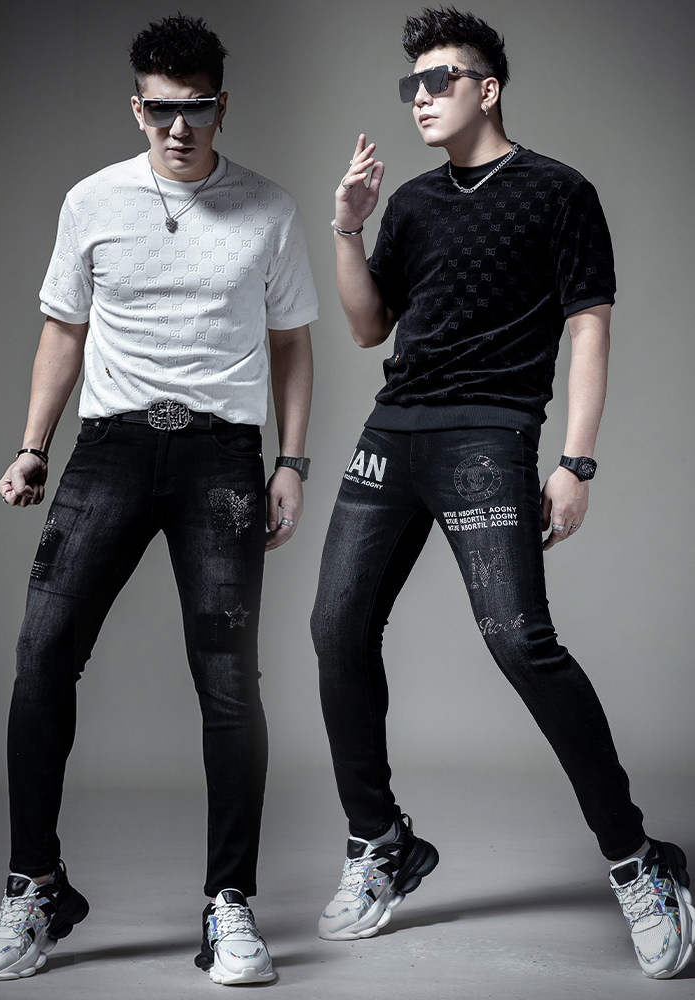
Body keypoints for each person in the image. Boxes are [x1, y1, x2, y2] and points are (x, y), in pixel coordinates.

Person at [310, 4, 694, 980]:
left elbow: (590, 328)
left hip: (489, 436)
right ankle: (381, 842)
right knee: (336, 629)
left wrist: (576, 462)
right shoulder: (413, 203)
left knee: (520, 639)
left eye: (438, 80)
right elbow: (367, 327)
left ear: (487, 89)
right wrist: (348, 229)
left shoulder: (559, 191)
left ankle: (636, 859)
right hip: (393, 434)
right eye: (410, 84)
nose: (420, 98)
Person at [0, 13, 317, 987]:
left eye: (195, 108)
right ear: (137, 108)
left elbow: (292, 341)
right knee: (42, 656)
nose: (178, 127)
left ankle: (230, 902)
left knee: (229, 683)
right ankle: (34, 884)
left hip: (221, 459)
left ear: (221, 106)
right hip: (110, 451)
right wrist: (32, 447)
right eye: (161, 110)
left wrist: (291, 461)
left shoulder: (270, 209)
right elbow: (63, 330)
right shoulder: (91, 201)